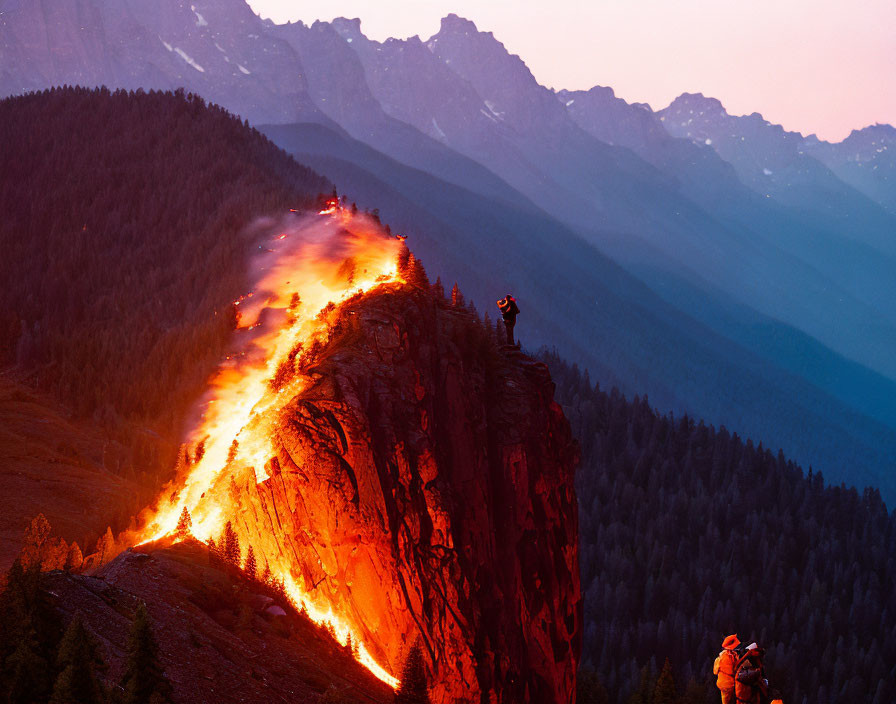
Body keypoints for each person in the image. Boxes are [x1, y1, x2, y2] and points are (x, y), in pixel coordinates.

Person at [713, 634, 741, 704]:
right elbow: (736, 670)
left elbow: (715, 672)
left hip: (721, 683)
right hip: (730, 685)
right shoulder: (732, 656)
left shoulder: (720, 656)